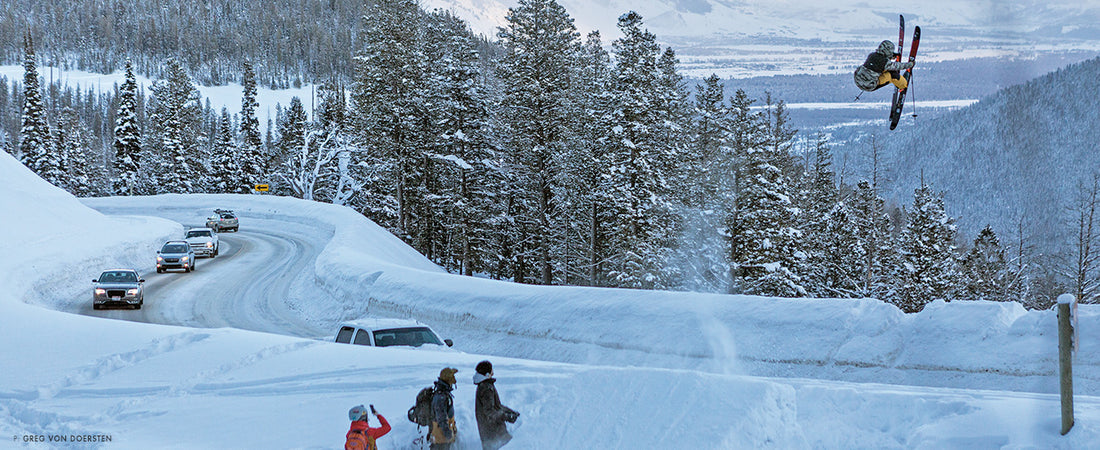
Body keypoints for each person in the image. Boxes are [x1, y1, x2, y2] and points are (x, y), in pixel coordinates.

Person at [473, 360, 519, 450]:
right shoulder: (486, 388)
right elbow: (490, 411)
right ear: (487, 374)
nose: (493, 372)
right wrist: (506, 417)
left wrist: (510, 412)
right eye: (491, 370)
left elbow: (497, 406)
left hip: (489, 430)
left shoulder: (484, 385)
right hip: (493, 431)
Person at [430, 367, 459, 449]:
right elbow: (441, 417)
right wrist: (447, 433)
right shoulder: (441, 397)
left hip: (443, 438)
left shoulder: (444, 394)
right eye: (452, 377)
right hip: (441, 439)